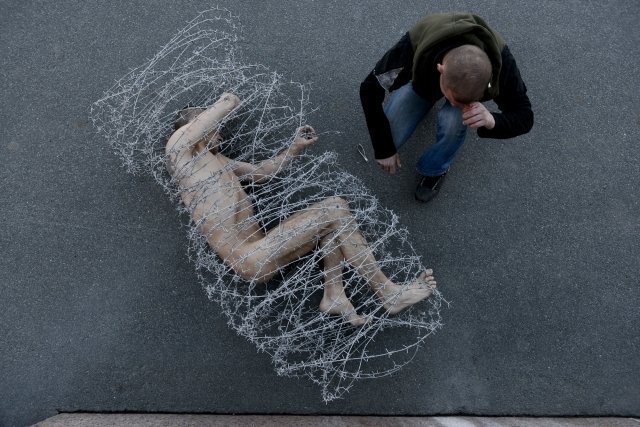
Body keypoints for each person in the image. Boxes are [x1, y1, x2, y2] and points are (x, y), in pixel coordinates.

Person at [165, 93, 437, 326]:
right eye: (214, 128)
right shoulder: (180, 153)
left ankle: (334, 294)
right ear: (196, 127)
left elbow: (263, 173)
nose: (221, 134)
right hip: (249, 257)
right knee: (334, 208)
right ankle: (388, 293)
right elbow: (226, 103)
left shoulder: (219, 161)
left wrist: (293, 148)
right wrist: (228, 100)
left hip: (261, 249)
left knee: (333, 221)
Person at [360, 12, 534, 202]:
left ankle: (435, 168)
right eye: (452, 99)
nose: (453, 105)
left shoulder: (503, 66)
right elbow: (369, 88)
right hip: (425, 80)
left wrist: (492, 120)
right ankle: (429, 95)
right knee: (388, 136)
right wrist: (384, 148)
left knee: (453, 120)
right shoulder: (416, 42)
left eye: (462, 102)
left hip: (448, 80)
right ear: (441, 69)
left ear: (487, 84)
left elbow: (525, 116)